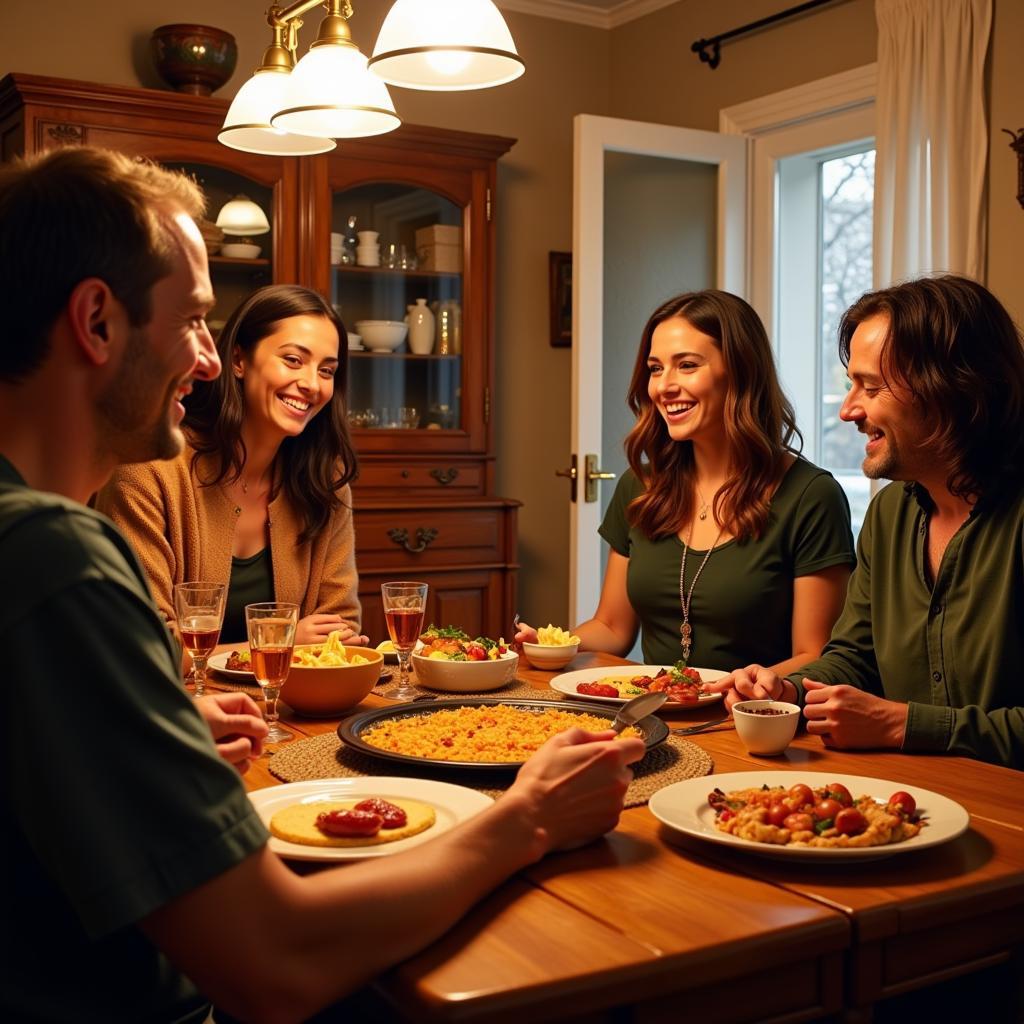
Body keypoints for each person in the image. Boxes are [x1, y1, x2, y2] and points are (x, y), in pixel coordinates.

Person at [0, 145, 646, 1024]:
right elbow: (277, 960)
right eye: (192, 320)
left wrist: (159, 725)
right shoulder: (52, 555)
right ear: (97, 321)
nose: (203, 360)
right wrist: (530, 818)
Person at [717, 275, 1024, 770]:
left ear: (953, 387)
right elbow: (854, 658)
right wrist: (786, 691)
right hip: (908, 794)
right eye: (850, 384)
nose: (847, 410)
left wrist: (902, 723)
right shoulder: (890, 513)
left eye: (871, 387)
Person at [518, 290, 855, 678]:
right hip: (653, 710)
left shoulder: (811, 496)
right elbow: (612, 627)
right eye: (656, 368)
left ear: (740, 370)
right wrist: (550, 646)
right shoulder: (640, 487)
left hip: (749, 720)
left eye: (687, 365)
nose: (663, 386)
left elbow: (815, 655)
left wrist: (745, 689)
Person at [96, 283, 365, 647]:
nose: (311, 385)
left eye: (327, 371)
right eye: (293, 360)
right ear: (239, 360)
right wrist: (278, 642)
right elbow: (142, 644)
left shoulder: (325, 480)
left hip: (293, 702)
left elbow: (340, 632)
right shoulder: (149, 469)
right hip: (176, 703)